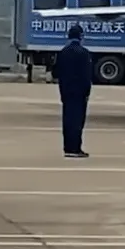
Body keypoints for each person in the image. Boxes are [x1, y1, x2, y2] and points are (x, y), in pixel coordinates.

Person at [51, 25, 92, 158]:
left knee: (67, 119)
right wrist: (87, 92)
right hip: (79, 92)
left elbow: (55, 72)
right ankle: (75, 148)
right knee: (77, 120)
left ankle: (68, 147)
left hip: (66, 91)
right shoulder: (84, 53)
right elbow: (87, 75)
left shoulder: (63, 52)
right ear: (80, 37)